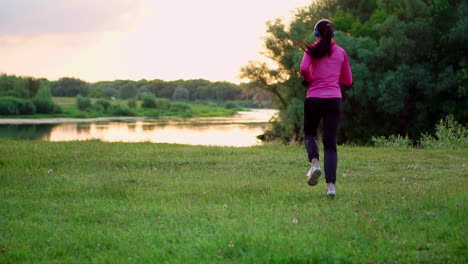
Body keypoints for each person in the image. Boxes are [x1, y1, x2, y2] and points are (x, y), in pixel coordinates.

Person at [299, 19, 352, 198]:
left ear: (316, 34)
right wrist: (333, 77)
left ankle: (314, 163)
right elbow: (348, 81)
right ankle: (330, 187)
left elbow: (303, 68)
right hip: (334, 99)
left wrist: (310, 78)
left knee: (309, 134)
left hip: (314, 97)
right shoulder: (341, 53)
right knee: (330, 144)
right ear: (333, 34)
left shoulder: (311, 50)